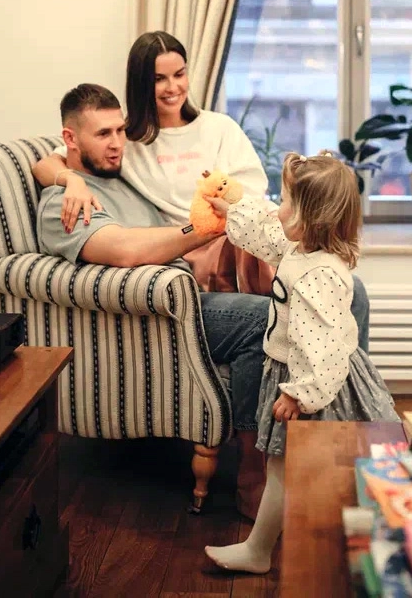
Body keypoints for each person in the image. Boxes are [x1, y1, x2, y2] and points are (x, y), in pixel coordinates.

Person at [31, 30, 370, 352]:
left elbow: (253, 197)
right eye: (159, 79)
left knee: (351, 293)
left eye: (179, 74)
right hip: (193, 251)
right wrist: (71, 181)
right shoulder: (126, 141)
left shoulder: (218, 127)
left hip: (249, 238)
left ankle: (349, 388)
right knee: (309, 305)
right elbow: (50, 162)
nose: (172, 87)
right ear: (141, 83)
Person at [38, 82, 271, 519]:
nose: (117, 144)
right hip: (159, 319)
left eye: (119, 131)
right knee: (266, 319)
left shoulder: (119, 177)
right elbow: (124, 250)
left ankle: (343, 441)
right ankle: (253, 474)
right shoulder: (62, 205)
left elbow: (46, 163)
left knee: (333, 296)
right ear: (70, 138)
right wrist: (206, 229)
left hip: (189, 296)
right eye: (102, 134)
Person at [203, 152, 400, 574]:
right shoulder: (301, 248)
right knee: (286, 468)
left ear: (314, 218)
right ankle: (267, 548)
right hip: (301, 374)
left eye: (289, 203)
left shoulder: (317, 276)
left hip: (313, 383)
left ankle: (272, 549)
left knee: (292, 467)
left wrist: (299, 394)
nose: (280, 210)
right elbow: (266, 235)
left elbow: (322, 346)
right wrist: (233, 208)